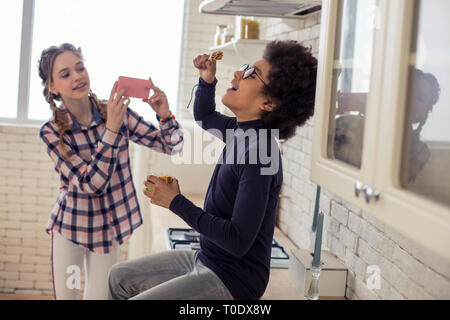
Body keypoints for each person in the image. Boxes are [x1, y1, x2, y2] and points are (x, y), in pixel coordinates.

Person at [108, 40, 318, 300]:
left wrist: (175, 202)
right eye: (245, 67)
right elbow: (205, 115)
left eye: (252, 73)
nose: (239, 73)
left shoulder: (261, 154)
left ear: (270, 103)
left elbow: (238, 240)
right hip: (208, 258)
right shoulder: (242, 131)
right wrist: (207, 81)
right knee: (118, 277)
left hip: (234, 279)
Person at [38, 43, 183, 299]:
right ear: (52, 88)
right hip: (71, 229)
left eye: (80, 68)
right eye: (65, 74)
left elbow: (173, 146)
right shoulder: (51, 132)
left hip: (107, 229)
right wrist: (112, 130)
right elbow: (91, 184)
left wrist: (164, 115)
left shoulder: (116, 112)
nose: (77, 76)